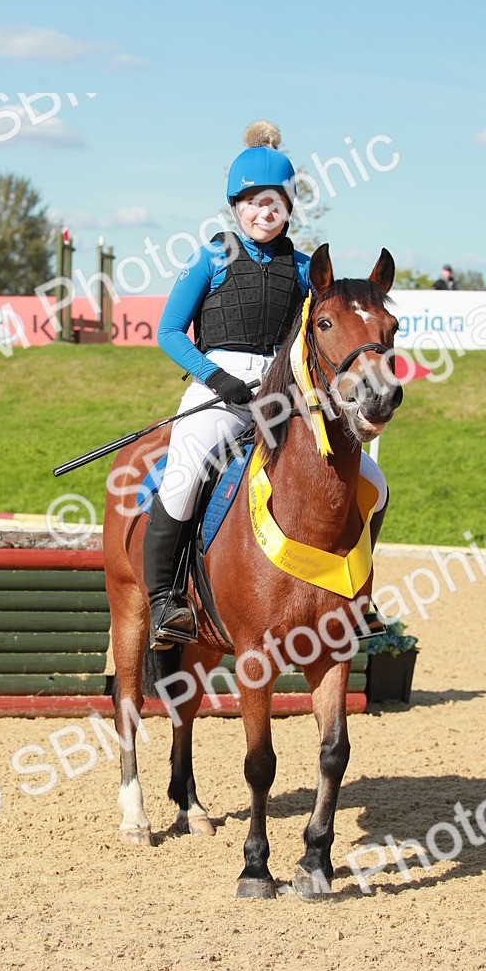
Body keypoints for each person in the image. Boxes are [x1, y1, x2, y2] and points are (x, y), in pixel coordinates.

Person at [144, 120, 390, 649]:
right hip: (217, 390)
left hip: (288, 394)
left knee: (374, 483)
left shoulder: (305, 269)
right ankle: (166, 602)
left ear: (287, 208)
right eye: (254, 202)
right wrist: (217, 378)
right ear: (236, 207)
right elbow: (168, 332)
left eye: (274, 202)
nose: (264, 211)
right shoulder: (210, 257)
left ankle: (357, 595)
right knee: (184, 474)